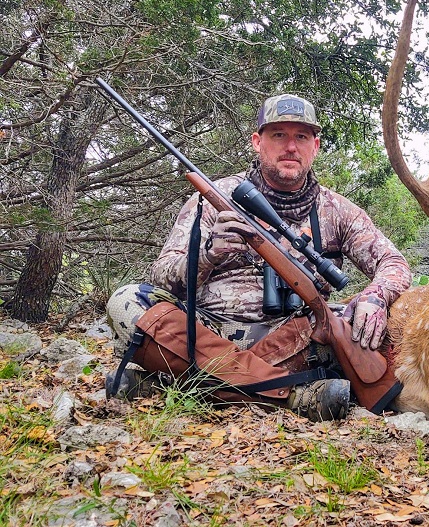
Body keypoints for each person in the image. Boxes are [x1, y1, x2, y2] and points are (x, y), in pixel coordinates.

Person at [106, 94, 411, 421]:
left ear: (315, 146)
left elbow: (393, 263)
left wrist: (375, 297)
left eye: (301, 137)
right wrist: (207, 255)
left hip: (297, 341)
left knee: (377, 328)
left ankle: (178, 384)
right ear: (257, 141)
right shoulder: (213, 197)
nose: (290, 146)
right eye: (278, 134)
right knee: (126, 302)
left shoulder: (338, 210)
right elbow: (163, 275)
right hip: (207, 330)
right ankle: (292, 396)